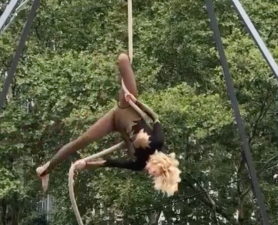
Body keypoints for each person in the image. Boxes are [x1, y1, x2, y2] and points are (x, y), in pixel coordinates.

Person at [36, 53, 180, 196]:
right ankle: (47, 168)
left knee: (81, 141)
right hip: (127, 106)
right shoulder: (157, 142)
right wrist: (136, 102)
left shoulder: (139, 164)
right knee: (123, 58)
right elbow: (155, 118)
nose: (150, 174)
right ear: (161, 165)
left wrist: (86, 165)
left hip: (114, 122)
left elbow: (112, 163)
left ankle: (44, 170)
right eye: (155, 174)